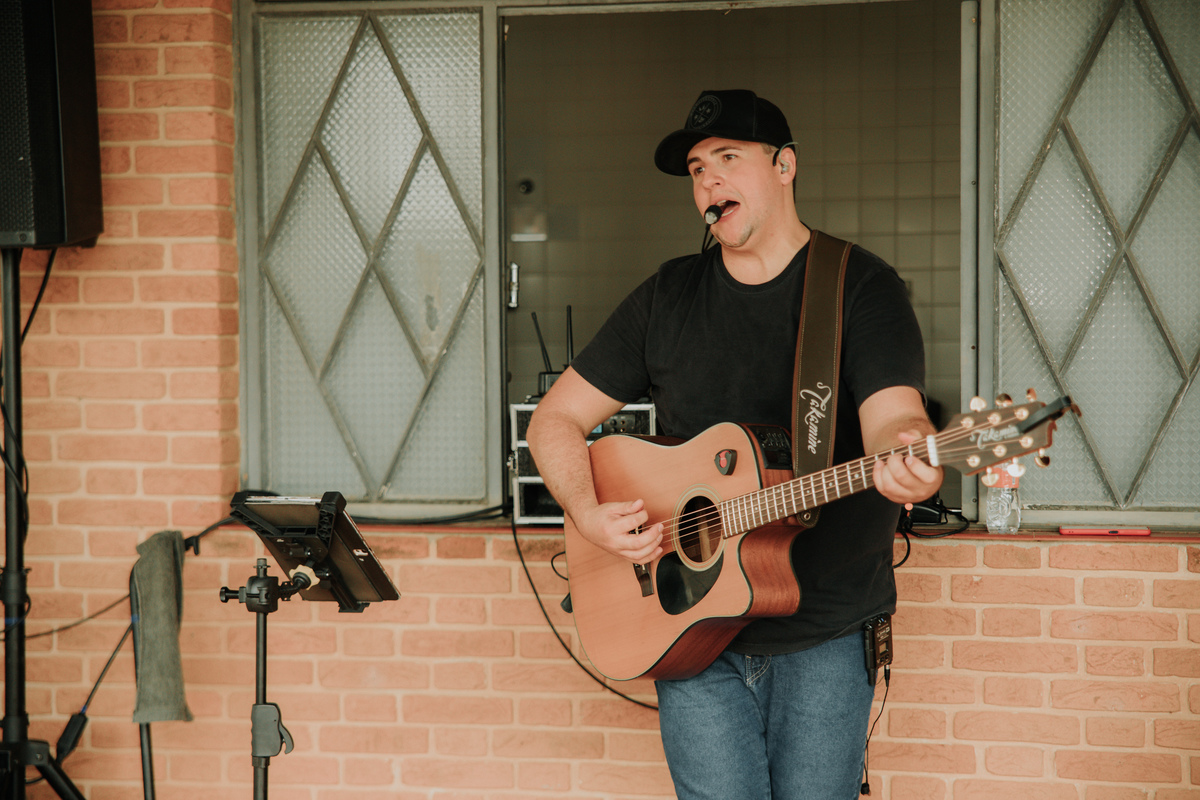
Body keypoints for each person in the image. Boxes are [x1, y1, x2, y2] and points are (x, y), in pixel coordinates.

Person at [526, 89, 943, 800]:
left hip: (824, 631)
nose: (709, 182)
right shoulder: (668, 295)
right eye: (696, 168)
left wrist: (910, 455)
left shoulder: (857, 286)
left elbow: (893, 418)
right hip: (689, 630)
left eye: (728, 158)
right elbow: (554, 421)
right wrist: (588, 510)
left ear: (785, 166)